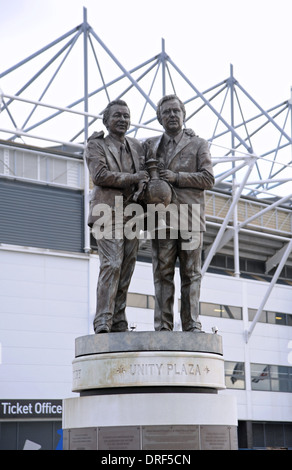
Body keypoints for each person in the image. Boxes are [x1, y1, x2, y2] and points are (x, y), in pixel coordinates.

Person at [143, 94, 214, 332]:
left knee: (191, 273)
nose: (172, 115)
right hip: (161, 219)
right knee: (162, 273)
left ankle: (191, 323)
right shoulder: (149, 146)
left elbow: (208, 178)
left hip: (190, 217)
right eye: (166, 112)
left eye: (176, 111)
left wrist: (177, 178)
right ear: (159, 118)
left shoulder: (198, 143)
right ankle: (163, 326)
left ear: (183, 115)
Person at [85, 100, 149, 333]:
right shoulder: (96, 144)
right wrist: (134, 178)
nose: (122, 119)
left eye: (126, 116)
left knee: (126, 266)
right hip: (107, 212)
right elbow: (100, 175)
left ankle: (119, 318)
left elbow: (158, 151)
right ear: (106, 121)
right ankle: (103, 319)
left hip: (132, 212)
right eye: (117, 116)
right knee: (111, 264)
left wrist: (187, 132)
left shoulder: (136, 146)